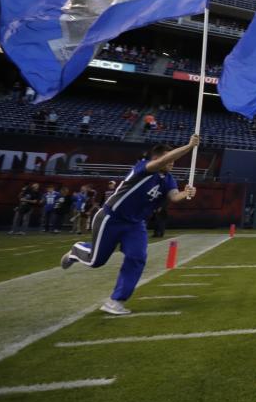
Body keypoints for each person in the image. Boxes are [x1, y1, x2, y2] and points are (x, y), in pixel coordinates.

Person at [60, 135, 200, 316]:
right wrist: (189, 146)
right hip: (111, 218)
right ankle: (76, 250)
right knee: (96, 261)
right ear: (156, 158)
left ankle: (115, 301)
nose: (172, 162)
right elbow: (163, 161)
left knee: (137, 257)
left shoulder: (168, 179)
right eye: (170, 158)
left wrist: (186, 193)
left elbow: (174, 196)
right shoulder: (143, 167)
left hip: (135, 224)